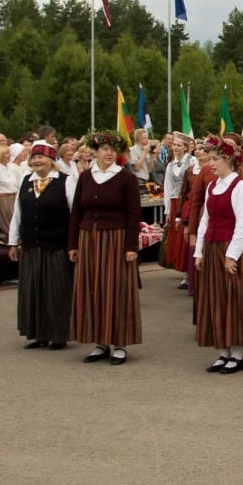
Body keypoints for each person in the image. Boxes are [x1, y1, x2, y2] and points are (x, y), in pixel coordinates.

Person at [68, 131, 142, 366]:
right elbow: (76, 212)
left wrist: (131, 245)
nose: (109, 153)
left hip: (116, 239)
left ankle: (119, 343)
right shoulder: (86, 177)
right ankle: (100, 341)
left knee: (116, 288)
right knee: (93, 289)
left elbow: (133, 214)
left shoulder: (126, 178)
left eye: (113, 150)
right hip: (89, 238)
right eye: (104, 149)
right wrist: (73, 244)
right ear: (96, 151)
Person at [194, 137, 243, 374]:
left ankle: (237, 355)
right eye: (210, 159)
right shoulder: (213, 186)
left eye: (215, 159)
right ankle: (223, 352)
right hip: (212, 246)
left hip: (230, 248)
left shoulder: (240, 187)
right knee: (215, 299)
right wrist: (199, 251)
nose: (211, 164)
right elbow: (205, 220)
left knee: (233, 299)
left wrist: (232, 255)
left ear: (228, 160)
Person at [8, 141, 76, 351]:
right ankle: (37, 334)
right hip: (31, 245)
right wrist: (12, 241)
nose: (37, 161)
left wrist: (74, 243)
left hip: (56, 245)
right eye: (34, 157)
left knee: (56, 290)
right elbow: (17, 214)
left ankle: (58, 335)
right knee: (33, 289)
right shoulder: (26, 181)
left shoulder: (66, 181)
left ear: (51, 160)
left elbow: (75, 215)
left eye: (41, 157)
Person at [161, 133, 194, 271]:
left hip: (186, 202)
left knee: (185, 235)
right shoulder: (170, 165)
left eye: (179, 145)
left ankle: (188, 270)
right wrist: (167, 210)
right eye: (174, 145)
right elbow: (167, 187)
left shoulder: (192, 162)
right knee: (176, 235)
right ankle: (181, 268)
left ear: (186, 148)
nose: (175, 147)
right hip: (175, 202)